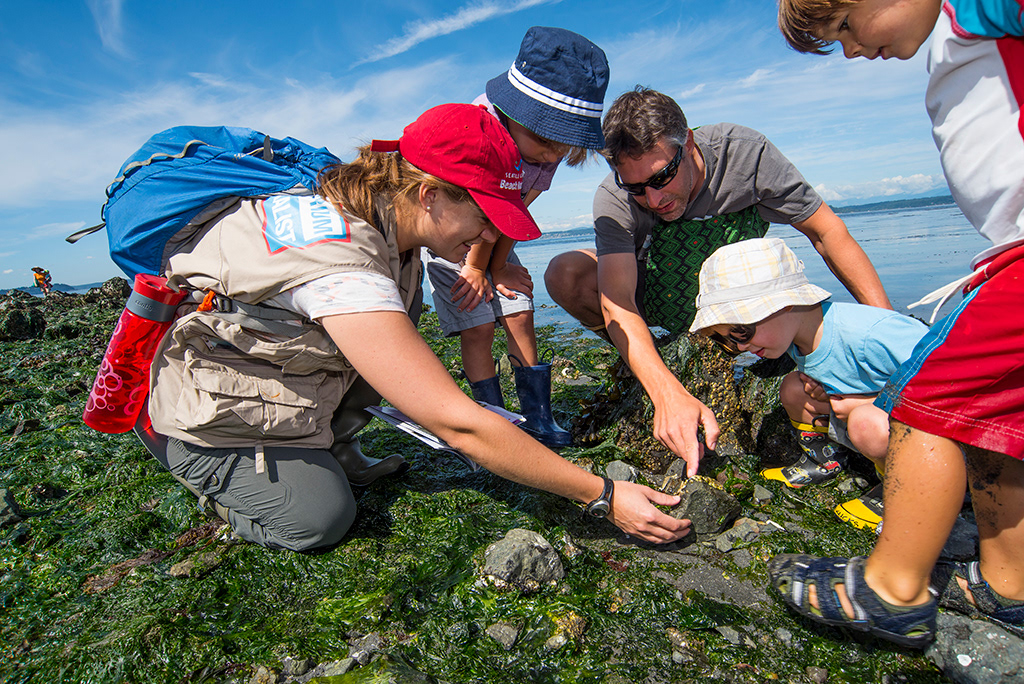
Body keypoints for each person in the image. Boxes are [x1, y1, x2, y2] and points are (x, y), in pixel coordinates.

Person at [141, 103, 690, 552]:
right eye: (484, 214)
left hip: (284, 373)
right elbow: (461, 427)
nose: (487, 234)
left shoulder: (384, 220)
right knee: (320, 520)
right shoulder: (341, 264)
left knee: (402, 354)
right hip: (212, 411)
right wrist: (604, 494)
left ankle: (330, 443)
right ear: (429, 195)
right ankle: (194, 463)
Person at [768, 0, 1024, 647]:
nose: (850, 52)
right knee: (995, 426)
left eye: (845, 28)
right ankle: (1010, 583)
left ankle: (891, 591)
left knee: (924, 402)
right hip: (1007, 259)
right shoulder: (952, 41)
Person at [544, 87, 892, 478]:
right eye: (637, 188)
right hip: (660, 295)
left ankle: (741, 347)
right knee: (566, 272)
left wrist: (882, 337)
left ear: (687, 141)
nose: (654, 199)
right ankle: (649, 356)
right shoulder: (614, 197)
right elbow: (618, 301)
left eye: (663, 177)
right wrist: (665, 391)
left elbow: (827, 232)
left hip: (741, 305)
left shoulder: (744, 154)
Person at [423, 26, 609, 448]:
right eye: (544, 141)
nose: (552, 155)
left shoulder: (547, 147)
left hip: (498, 239)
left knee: (520, 313)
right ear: (512, 113)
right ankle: (493, 422)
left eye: (564, 147)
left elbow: (516, 211)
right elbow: (485, 208)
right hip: (452, 240)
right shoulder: (480, 128)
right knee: (478, 328)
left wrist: (500, 265)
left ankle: (536, 417)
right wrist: (475, 266)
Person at [690, 238, 928, 531]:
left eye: (741, 332)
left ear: (786, 304)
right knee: (793, 388)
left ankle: (906, 490)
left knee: (867, 422)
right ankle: (824, 459)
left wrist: (867, 402)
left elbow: (951, 386)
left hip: (931, 437)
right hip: (874, 421)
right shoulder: (797, 338)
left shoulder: (871, 333)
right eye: (724, 339)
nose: (739, 347)